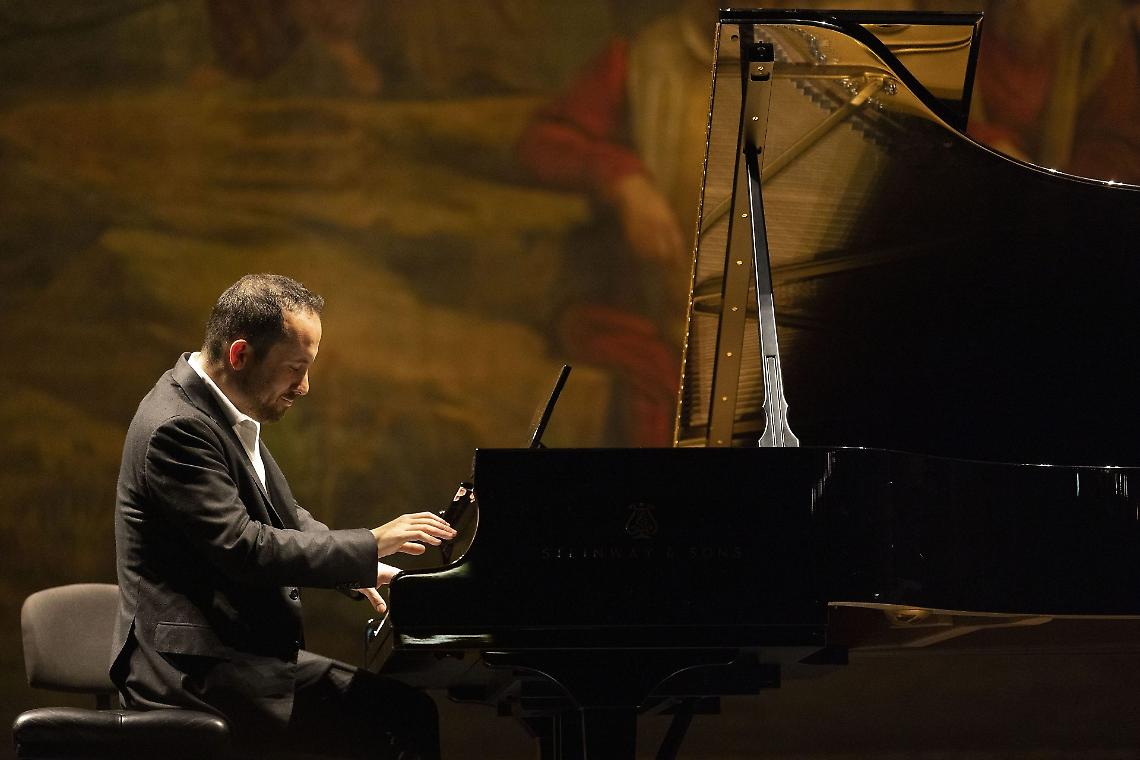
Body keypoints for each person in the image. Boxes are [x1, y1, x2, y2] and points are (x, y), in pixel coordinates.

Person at [110, 273, 453, 759]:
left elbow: (284, 516)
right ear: (240, 354)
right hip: (193, 677)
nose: (305, 387)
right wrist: (370, 541)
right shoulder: (178, 428)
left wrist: (359, 570)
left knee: (400, 713)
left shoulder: (218, 410)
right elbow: (244, 547)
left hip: (227, 659)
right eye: (296, 368)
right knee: (399, 717)